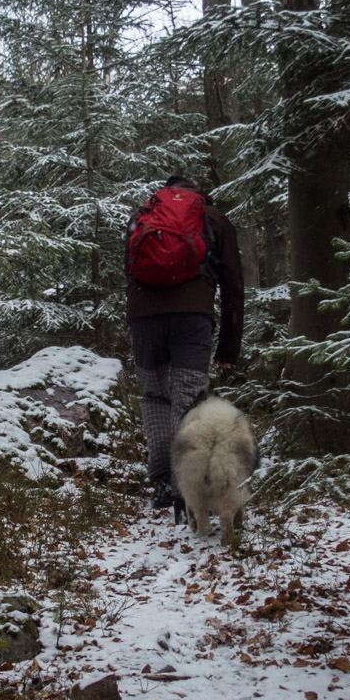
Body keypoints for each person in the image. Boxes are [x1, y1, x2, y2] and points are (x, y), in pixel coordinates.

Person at [125, 175, 245, 512]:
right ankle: (186, 485)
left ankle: (163, 479)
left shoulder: (142, 214)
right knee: (189, 399)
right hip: (193, 318)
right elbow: (233, 285)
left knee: (155, 395)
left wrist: (139, 316)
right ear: (201, 194)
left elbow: (130, 270)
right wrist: (228, 348)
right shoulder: (214, 217)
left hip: (145, 318)